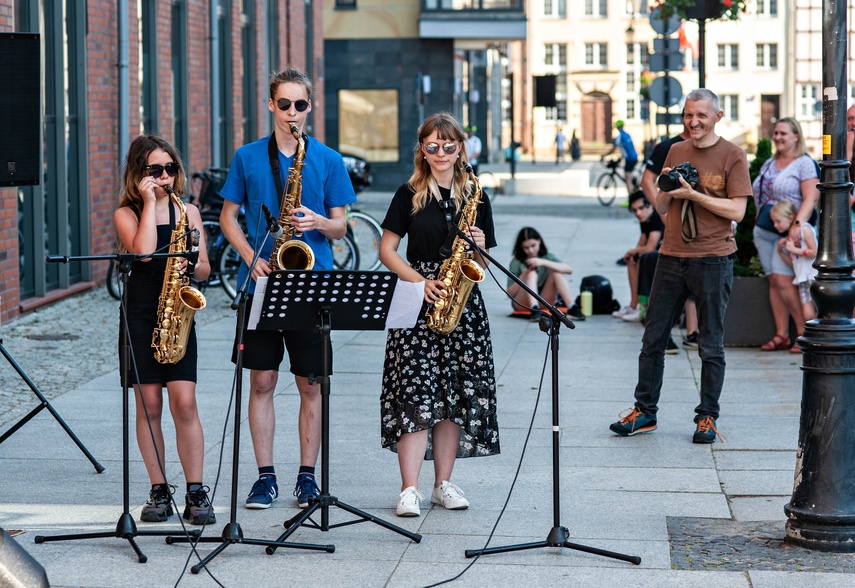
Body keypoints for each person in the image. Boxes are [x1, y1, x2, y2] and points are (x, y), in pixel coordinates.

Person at [219, 67, 357, 510]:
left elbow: (342, 227)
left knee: (310, 385)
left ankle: (307, 477)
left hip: (312, 285)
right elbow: (227, 217)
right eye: (284, 104)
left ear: (310, 107)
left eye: (301, 104)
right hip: (262, 281)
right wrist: (249, 256)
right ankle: (264, 477)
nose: (292, 112)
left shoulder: (329, 159)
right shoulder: (247, 156)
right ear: (270, 105)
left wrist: (318, 221)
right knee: (261, 381)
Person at [609, 88, 752, 444]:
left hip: (714, 258)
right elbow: (660, 207)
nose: (694, 121)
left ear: (717, 116)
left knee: (710, 344)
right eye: (689, 115)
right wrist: (669, 187)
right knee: (652, 337)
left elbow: (737, 211)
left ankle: (707, 417)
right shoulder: (675, 150)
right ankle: (645, 412)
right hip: (672, 257)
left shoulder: (733, 155)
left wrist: (695, 195)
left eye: (701, 115)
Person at [379, 112, 500, 517]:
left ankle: (442, 484)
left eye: (449, 146)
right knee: (415, 393)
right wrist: (420, 282)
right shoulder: (408, 192)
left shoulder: (476, 195)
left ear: (460, 148)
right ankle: (408, 489)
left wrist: (479, 245)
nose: (442, 153)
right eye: (433, 146)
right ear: (422, 150)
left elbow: (482, 259)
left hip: (462, 302)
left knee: (453, 395)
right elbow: (387, 251)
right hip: (418, 296)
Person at [113, 134, 216, 525]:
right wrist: (152, 203)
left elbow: (205, 267)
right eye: (155, 170)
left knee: (185, 403)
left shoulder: (189, 211)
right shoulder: (127, 212)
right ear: (139, 173)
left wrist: (193, 266)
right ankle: (158, 490)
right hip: (140, 315)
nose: (165, 176)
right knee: (149, 405)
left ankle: (195, 491)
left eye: (170, 169)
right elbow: (140, 251)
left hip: (178, 315)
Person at [751, 117, 819, 353]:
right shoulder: (770, 162)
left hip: (791, 231)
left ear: (796, 136)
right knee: (774, 282)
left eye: (783, 133)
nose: (778, 137)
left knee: (786, 280)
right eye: (776, 133)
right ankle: (781, 334)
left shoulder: (804, 164)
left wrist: (797, 225)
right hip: (765, 230)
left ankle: (803, 332)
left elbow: (811, 197)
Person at [507, 226, 585, 322]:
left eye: (533, 246)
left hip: (544, 299)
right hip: (522, 302)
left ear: (539, 241)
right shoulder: (516, 262)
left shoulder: (547, 257)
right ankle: (534, 308)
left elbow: (569, 270)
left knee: (556, 272)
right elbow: (509, 293)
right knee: (531, 273)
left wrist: (542, 262)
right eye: (526, 248)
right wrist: (524, 275)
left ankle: (572, 307)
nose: (530, 250)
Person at [611, 191, 664, 323]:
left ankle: (642, 307)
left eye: (641, 208)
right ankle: (633, 306)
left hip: (665, 258)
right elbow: (642, 242)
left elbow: (650, 247)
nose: (638, 213)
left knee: (642, 260)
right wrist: (632, 254)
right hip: (654, 257)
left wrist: (632, 251)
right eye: (634, 210)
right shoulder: (645, 219)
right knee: (632, 261)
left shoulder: (657, 218)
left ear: (650, 205)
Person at [773, 200, 818, 326]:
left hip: (814, 276)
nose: (775, 225)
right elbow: (795, 264)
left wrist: (794, 250)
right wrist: (781, 252)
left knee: (823, 310)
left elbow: (814, 252)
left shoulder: (804, 229)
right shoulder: (790, 238)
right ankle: (816, 340)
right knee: (808, 315)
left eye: (778, 221)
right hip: (802, 279)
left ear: (790, 218)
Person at [602, 119, 639, 191]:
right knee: (629, 175)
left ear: (617, 127)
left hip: (630, 159)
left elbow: (613, 149)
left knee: (627, 179)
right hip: (634, 157)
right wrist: (621, 157)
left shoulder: (620, 137)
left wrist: (604, 155)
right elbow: (626, 148)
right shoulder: (627, 134)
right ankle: (633, 182)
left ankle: (631, 199)